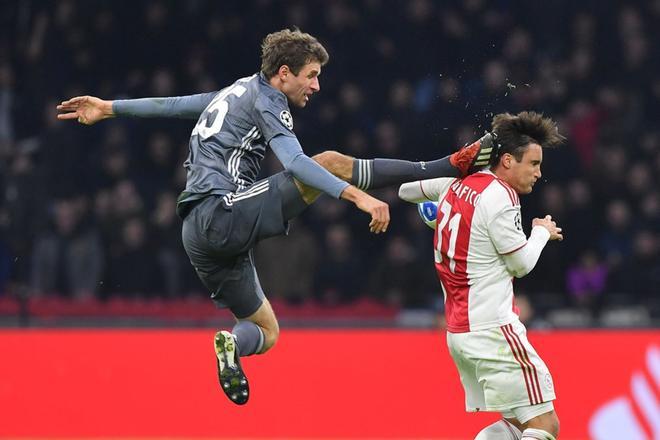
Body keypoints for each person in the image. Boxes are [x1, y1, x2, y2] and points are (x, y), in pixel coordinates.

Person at [56, 28, 494, 405]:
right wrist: (357, 198)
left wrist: (111, 107)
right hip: (221, 211)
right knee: (330, 161)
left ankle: (231, 344)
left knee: (264, 328)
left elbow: (173, 105)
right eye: (312, 75)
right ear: (284, 73)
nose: (317, 86)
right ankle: (444, 166)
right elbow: (299, 163)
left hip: (195, 232)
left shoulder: (233, 91)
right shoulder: (268, 101)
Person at [399, 111, 565, 440]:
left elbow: (405, 191)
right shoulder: (501, 197)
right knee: (546, 426)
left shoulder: (456, 182)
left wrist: (436, 208)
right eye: (533, 163)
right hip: (494, 332)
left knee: (517, 426)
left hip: (460, 333)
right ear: (506, 160)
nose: (538, 173)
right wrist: (541, 232)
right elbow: (521, 265)